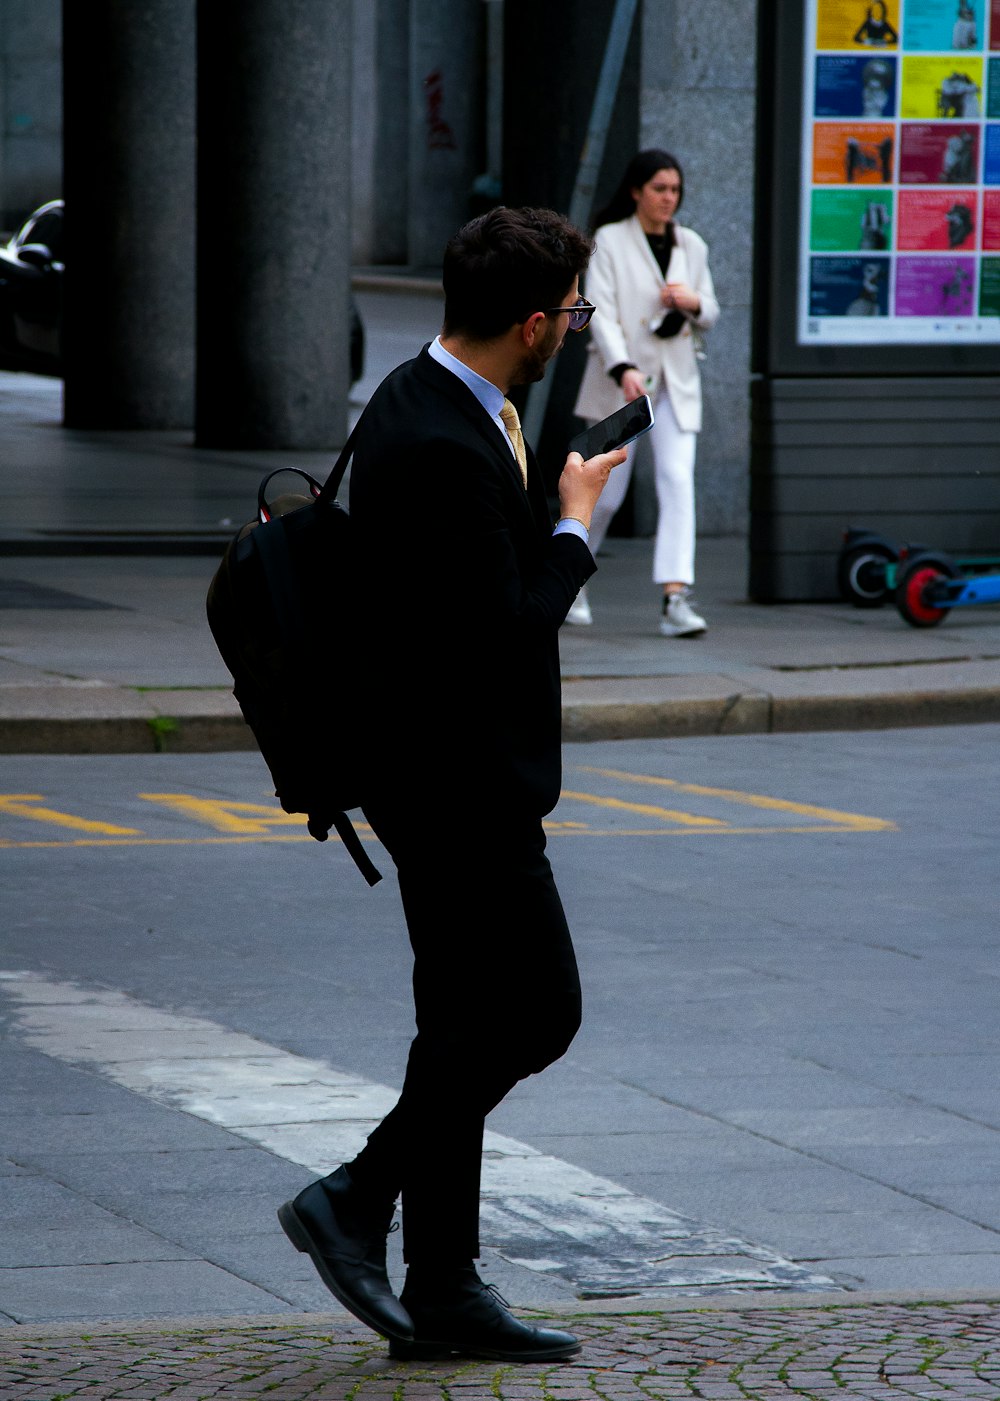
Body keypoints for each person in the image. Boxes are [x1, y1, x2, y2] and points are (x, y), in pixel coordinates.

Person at [277, 207, 626, 1364]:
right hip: (459, 789)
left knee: (460, 1029)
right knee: (538, 1013)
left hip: (430, 774)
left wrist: (545, 499)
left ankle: (444, 1289)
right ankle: (354, 1196)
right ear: (532, 323)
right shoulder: (440, 444)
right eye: (571, 312)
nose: (574, 328)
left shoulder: (431, 404)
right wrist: (576, 525)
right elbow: (505, 629)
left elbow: (472, 591)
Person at [570, 149, 719, 636]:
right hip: (625, 385)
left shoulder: (691, 244)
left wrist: (691, 301)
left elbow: (711, 309)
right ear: (636, 190)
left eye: (675, 190)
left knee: (677, 482)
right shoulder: (611, 241)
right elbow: (601, 312)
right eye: (659, 189)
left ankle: (676, 596)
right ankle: (571, 578)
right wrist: (622, 368)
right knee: (606, 493)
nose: (668, 199)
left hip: (675, 383)